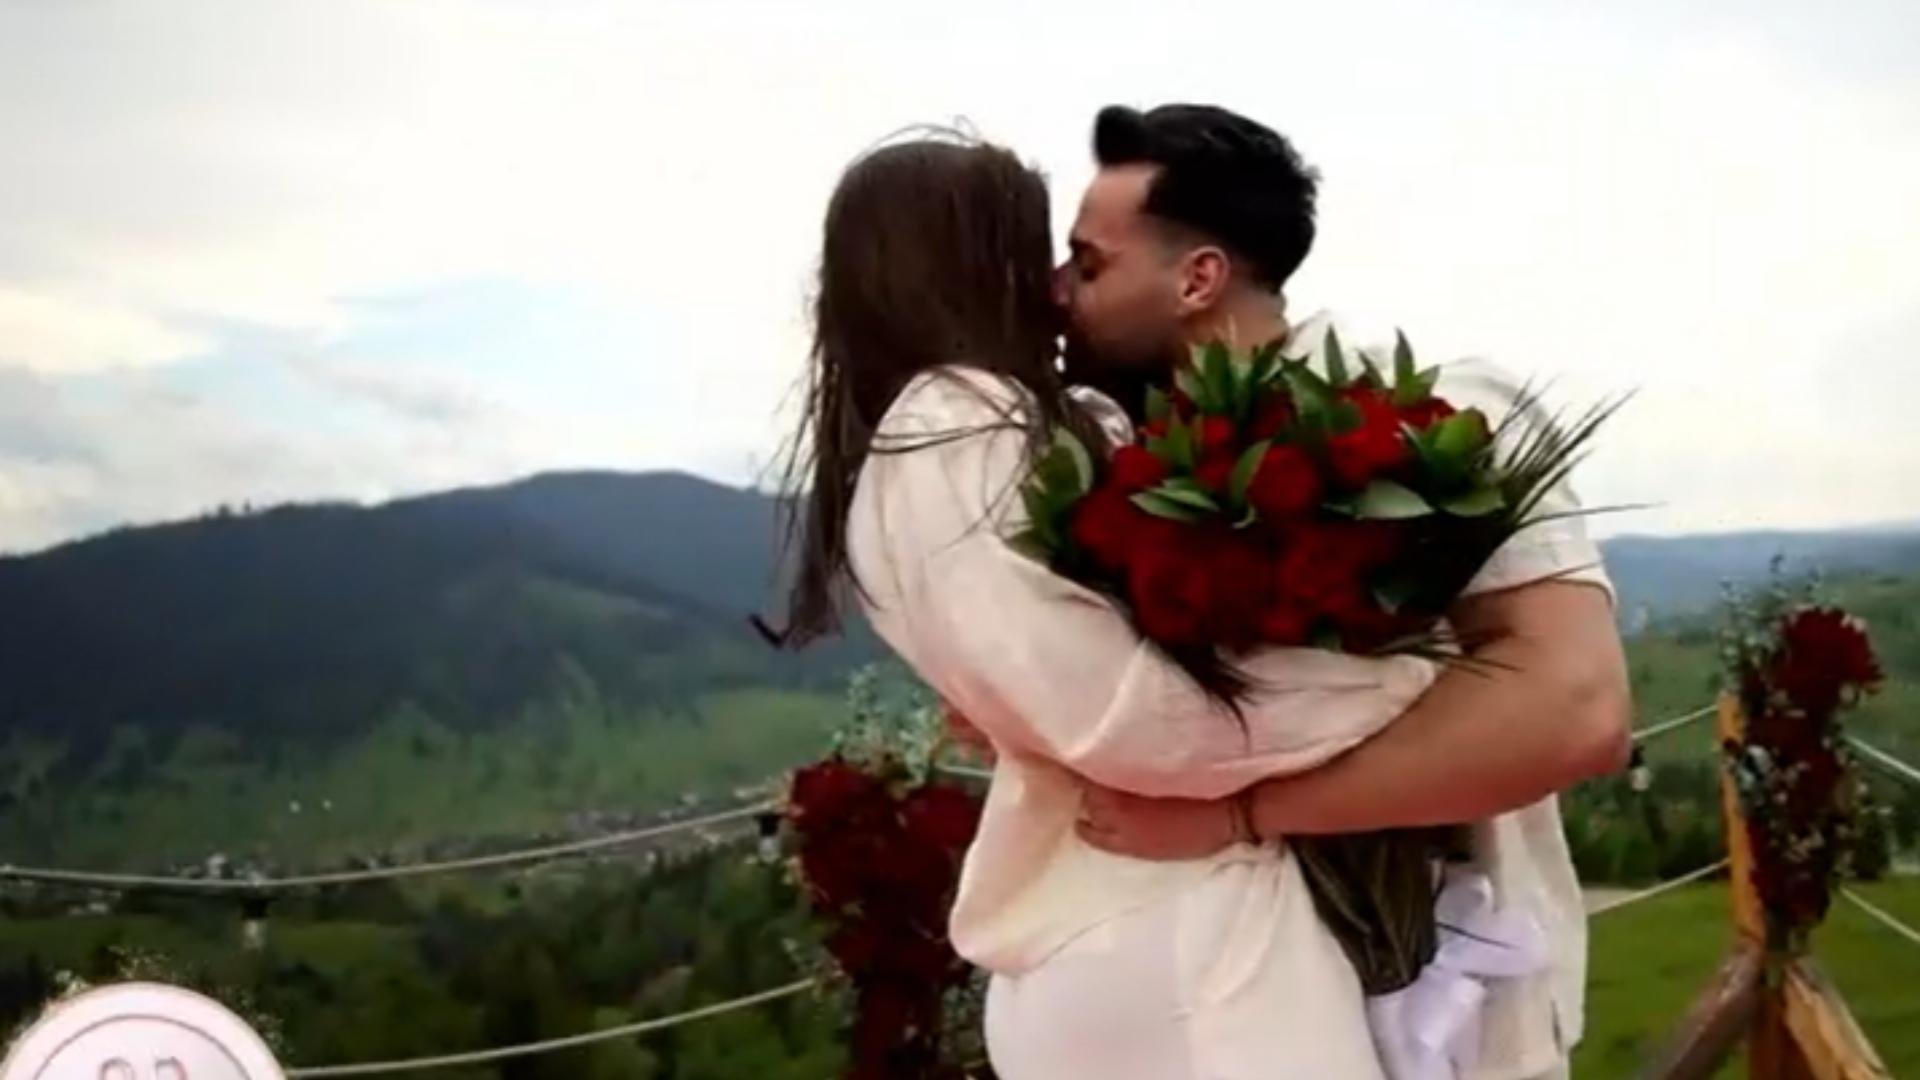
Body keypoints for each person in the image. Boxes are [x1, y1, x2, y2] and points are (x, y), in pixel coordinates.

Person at [1055, 104, 1631, 1080]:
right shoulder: (1120, 482)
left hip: (1445, 1014)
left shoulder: (1449, 416)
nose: (1058, 289)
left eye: (1088, 263)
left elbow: (1575, 710)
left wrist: (1243, 816)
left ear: (1197, 278)